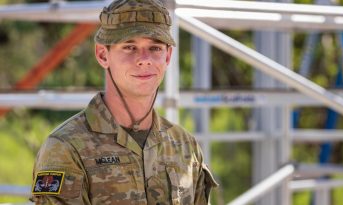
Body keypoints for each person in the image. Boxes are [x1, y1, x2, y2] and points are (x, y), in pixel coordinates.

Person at [30, 0, 218, 204]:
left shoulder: (184, 146)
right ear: (103, 55)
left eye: (155, 48)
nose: (144, 59)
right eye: (130, 47)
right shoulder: (67, 148)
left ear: (168, 56)